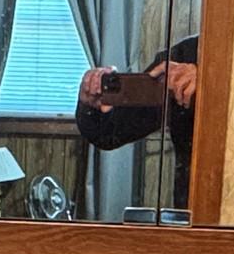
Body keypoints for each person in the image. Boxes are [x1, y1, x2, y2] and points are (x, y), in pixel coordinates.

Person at [74, 34, 199, 208]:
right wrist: (91, 104)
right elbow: (108, 132)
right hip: (193, 212)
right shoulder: (184, 57)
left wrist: (211, 80)